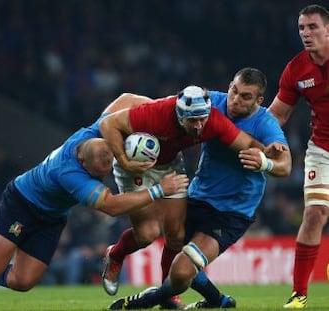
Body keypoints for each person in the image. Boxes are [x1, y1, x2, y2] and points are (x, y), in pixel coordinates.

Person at [0, 93, 189, 311]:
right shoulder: (70, 174)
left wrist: (158, 109)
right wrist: (158, 190)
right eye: (99, 173)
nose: (104, 175)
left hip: (52, 216)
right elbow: (112, 206)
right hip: (22, 203)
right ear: (84, 163)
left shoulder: (97, 133)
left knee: (22, 282)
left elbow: (126, 98)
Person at [107, 67, 292, 310]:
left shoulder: (265, 123)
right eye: (234, 91)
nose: (235, 100)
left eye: (245, 96)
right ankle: (214, 301)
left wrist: (266, 162)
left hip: (231, 211)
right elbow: (161, 106)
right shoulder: (210, 103)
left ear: (259, 100)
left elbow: (286, 166)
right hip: (198, 196)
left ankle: (147, 300)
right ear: (229, 86)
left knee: (184, 268)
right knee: (169, 239)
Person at [267, 4, 329, 309]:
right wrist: (253, 139)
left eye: (313, 27)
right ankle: (299, 292)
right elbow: (277, 115)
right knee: (314, 213)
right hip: (322, 149)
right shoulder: (296, 69)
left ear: (328, 29)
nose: (306, 33)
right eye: (302, 28)